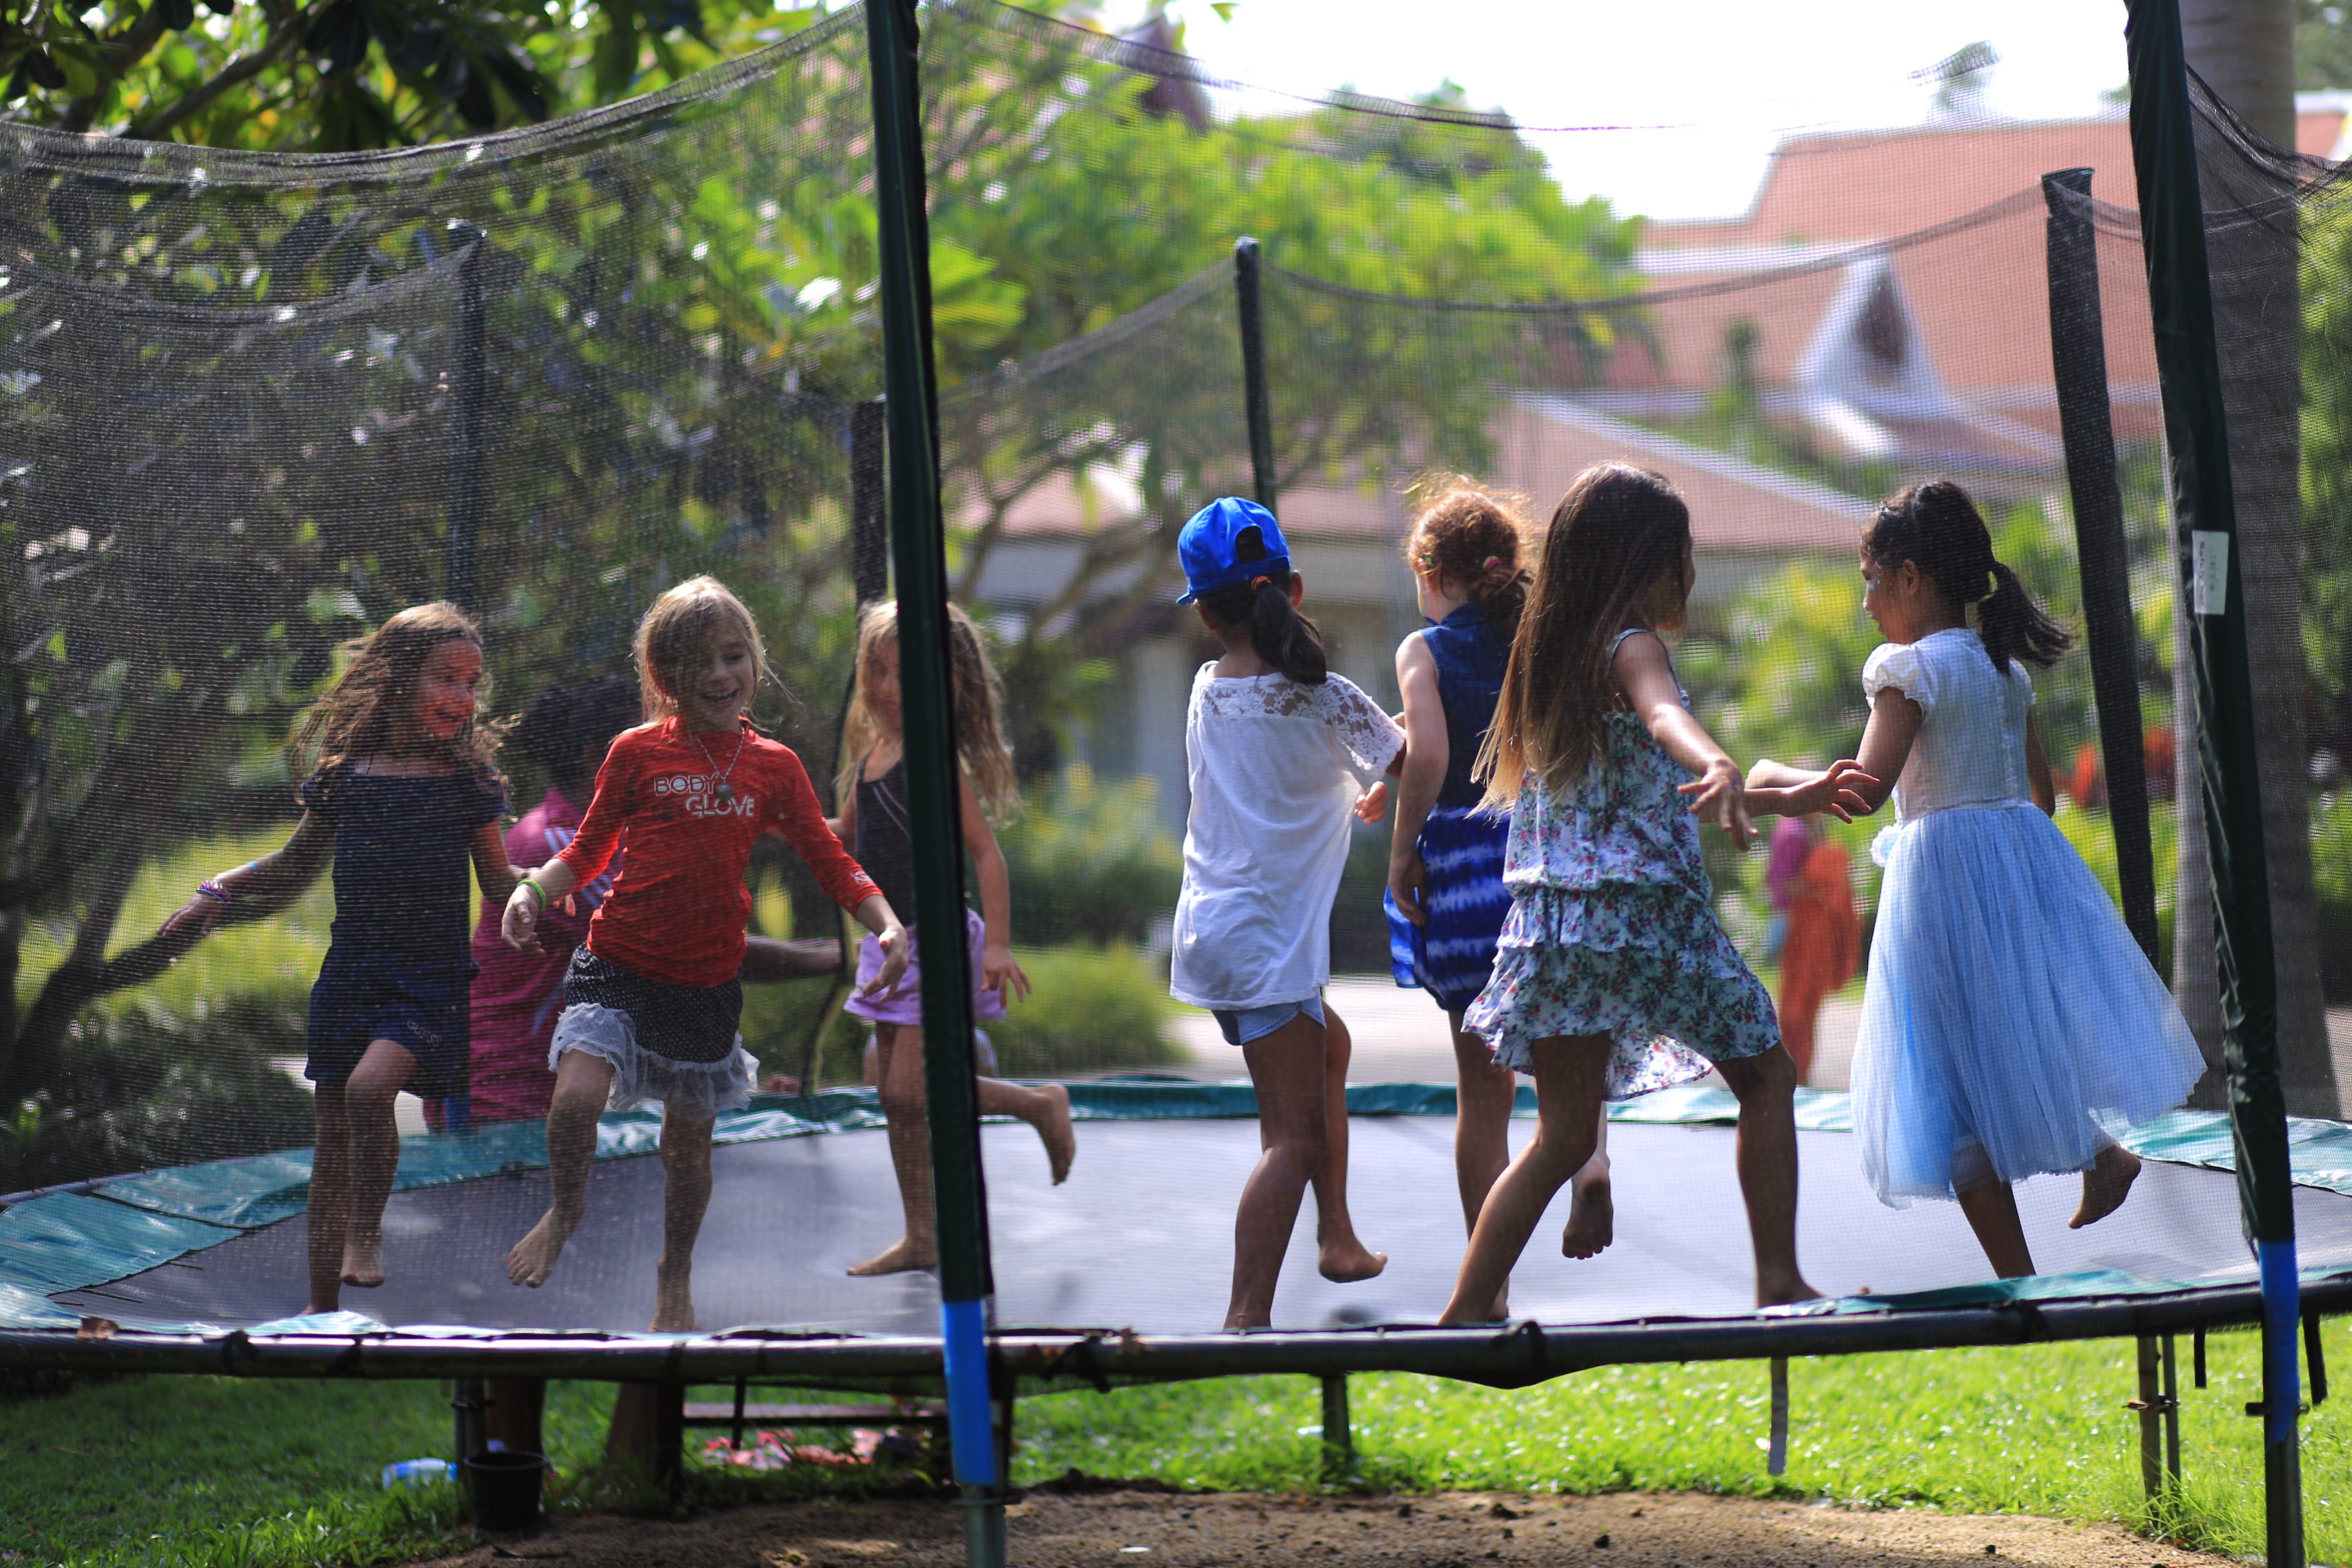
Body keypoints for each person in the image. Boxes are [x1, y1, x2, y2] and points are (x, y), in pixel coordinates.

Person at [1438, 464, 1868, 1326]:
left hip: (1557, 927)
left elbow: (1650, 781)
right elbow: (1667, 720)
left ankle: (1468, 1307)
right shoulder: (1634, 648)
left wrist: (1786, 791)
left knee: (1561, 1137)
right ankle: (1778, 1277)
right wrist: (1711, 759)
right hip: (1646, 921)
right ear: (1644, 562)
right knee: (1768, 1076)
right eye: (1685, 553)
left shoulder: (1550, 659)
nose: (1693, 571)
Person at [1749, 478, 2204, 1277]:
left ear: (1911, 576)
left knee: (1945, 1077)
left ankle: (2020, 1279)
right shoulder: (2003, 670)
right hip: (2011, 872)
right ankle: (2100, 1156)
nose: (1865, 604)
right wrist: (2008, 861)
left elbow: (1865, 789)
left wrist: (1770, 778)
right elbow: (2044, 794)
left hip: (1939, 889)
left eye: (1871, 580)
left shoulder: (1908, 669)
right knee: (2006, 1042)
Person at [500, 576, 908, 1332]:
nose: (721, 676)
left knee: (687, 1149)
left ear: (753, 658)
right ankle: (567, 1207)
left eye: (733, 656)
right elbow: (588, 852)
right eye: (698, 664)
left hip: (704, 981)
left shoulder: (773, 765)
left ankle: (674, 1269)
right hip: (616, 963)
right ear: (667, 678)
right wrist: (529, 890)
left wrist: (882, 920)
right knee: (575, 1100)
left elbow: (829, 857)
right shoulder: (635, 752)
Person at [161, 603, 520, 1316]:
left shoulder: (466, 783)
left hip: (428, 981)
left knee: (367, 1092)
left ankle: (367, 1234)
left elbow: (500, 881)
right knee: (329, 1151)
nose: (462, 696)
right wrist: (217, 890)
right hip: (352, 972)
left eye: (472, 682)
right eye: (446, 677)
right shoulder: (345, 775)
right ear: (395, 680)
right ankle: (321, 1310)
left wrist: (542, 900)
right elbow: (293, 861)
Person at [1382, 478, 1645, 1322]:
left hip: (1462, 871)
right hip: (1543, 857)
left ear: (1431, 572)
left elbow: (1427, 757)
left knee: (1480, 1089)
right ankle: (1591, 1165)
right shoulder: (1541, 637)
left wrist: (1398, 853)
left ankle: (1487, 1286)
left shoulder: (1423, 649)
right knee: (1564, 1049)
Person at [1170, 496, 1400, 1331]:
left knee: (1328, 1048)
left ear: (1203, 610)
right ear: (1294, 589)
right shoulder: (1326, 695)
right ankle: (1245, 1319)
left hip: (1218, 932)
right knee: (1291, 1142)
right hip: (1268, 945)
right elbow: (1414, 756)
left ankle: (1336, 1237)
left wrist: (1360, 777)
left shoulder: (1207, 688)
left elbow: (1301, 756)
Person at [831, 600, 1076, 1277]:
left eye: (904, 675)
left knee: (909, 1088)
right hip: (886, 945)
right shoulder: (870, 755)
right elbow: (846, 834)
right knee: (895, 1096)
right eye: (877, 672)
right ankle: (922, 1234)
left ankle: (1037, 1101)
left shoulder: (937, 758)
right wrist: (773, 818)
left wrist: (996, 945)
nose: (887, 688)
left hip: (936, 939)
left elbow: (987, 854)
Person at [1772, 817, 1857, 1086]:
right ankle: (1789, 1071)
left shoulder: (1809, 835)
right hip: (1796, 925)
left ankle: (1797, 1072)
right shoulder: (1795, 833)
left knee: (1804, 1006)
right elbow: (1782, 881)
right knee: (1796, 1006)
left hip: (1808, 928)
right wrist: (1822, 890)